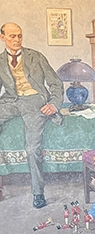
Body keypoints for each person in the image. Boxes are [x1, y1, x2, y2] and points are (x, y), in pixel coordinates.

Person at [0, 22, 64, 209]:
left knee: (31, 149)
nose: (17, 40)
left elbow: (55, 83)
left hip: (35, 101)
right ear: (2, 37)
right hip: (10, 101)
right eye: (12, 36)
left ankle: (38, 193)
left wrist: (53, 104)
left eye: (19, 35)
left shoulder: (35, 56)